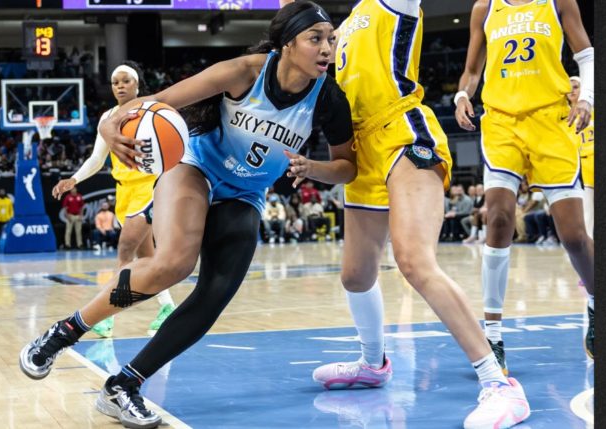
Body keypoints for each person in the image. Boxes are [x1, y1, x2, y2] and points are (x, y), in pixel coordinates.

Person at [20, 4, 356, 428]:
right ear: (288, 44)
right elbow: (154, 102)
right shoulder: (243, 72)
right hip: (196, 167)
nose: (327, 48)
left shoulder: (328, 97)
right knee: (174, 265)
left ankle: (123, 385)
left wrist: (315, 169)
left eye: (331, 39)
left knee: (214, 296)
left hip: (247, 192)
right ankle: (65, 332)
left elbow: (347, 166)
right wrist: (109, 129)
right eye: (316, 39)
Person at [308, 1, 530, 428]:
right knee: (355, 275)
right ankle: (373, 364)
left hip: (402, 132)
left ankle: (500, 386)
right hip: (361, 148)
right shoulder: (344, 24)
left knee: (414, 260)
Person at [455, 0, 595, 368]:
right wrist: (461, 95)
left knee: (575, 236)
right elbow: (472, 70)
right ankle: (493, 336)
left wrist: (588, 100)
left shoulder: (557, 2)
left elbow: (586, 55)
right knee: (499, 219)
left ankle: (597, 304)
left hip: (551, 122)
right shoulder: (484, 8)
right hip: (501, 123)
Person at [51, 61, 178, 338]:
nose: (119, 86)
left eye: (125, 81)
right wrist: (73, 179)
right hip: (124, 191)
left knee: (125, 251)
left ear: (136, 84)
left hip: (150, 188)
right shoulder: (107, 117)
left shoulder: (152, 112)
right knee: (148, 258)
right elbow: (97, 159)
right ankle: (168, 307)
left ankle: (105, 317)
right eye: (115, 82)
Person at [568, 76, 594, 239]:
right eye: (569, 87)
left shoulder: (592, 110)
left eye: (576, 87)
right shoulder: (563, 116)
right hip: (582, 167)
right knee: (587, 214)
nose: (571, 90)